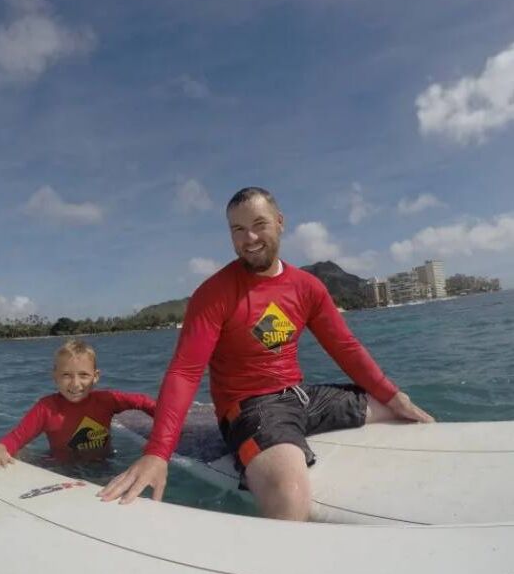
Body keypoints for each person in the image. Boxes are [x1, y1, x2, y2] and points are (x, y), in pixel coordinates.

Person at [99, 187, 434, 521]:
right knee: (291, 496)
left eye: (259, 224)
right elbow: (185, 372)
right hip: (249, 409)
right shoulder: (214, 293)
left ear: (280, 222)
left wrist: (393, 395)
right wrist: (158, 452)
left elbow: (345, 348)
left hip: (301, 398)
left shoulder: (307, 287)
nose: (250, 237)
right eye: (238, 229)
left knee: (391, 409)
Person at [0, 339, 156, 467]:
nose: (75, 384)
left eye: (83, 375)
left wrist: (168, 423)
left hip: (105, 463)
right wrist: (1, 447)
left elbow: (144, 402)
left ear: (96, 377)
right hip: (60, 468)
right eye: (66, 375)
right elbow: (18, 437)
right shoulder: (46, 408)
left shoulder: (107, 400)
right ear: (55, 377)